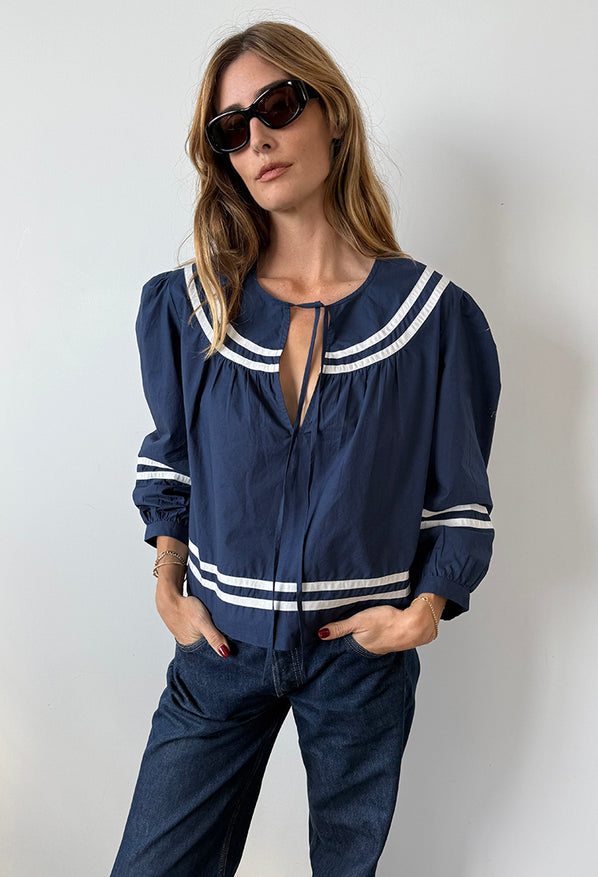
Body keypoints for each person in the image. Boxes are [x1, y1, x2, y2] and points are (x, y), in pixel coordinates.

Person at [110, 19, 501, 877]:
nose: (258, 139)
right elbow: (169, 459)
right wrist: (168, 580)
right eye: (230, 130)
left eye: (277, 106)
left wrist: (422, 611)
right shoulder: (190, 308)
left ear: (332, 116)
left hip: (358, 657)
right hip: (218, 649)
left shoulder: (432, 320)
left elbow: (459, 498)